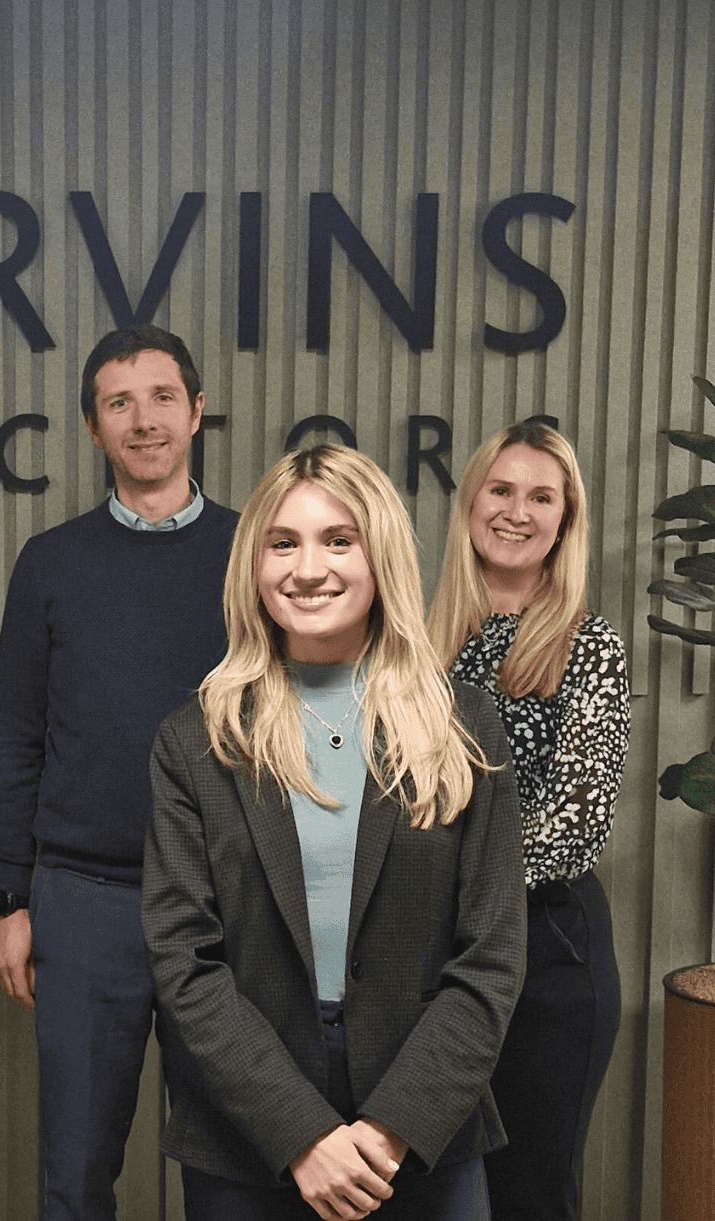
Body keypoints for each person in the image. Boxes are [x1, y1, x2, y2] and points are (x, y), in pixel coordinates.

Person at [142, 444, 526, 1221]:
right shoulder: (196, 741)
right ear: (253, 564)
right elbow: (185, 962)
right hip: (249, 1131)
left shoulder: (466, 728)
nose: (308, 568)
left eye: (337, 540)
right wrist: (301, 1134)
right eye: (283, 543)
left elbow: (490, 956)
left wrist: (390, 1131)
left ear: (379, 553)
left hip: (426, 1126)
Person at [0, 324, 238, 1220]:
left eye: (163, 397)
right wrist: (11, 899)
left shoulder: (256, 558)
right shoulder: (52, 562)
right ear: (94, 428)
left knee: (234, 1167)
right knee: (78, 1172)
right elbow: (14, 736)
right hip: (85, 901)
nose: (143, 420)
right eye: (118, 403)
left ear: (198, 412)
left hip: (228, 902)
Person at [428, 421, 628, 1221]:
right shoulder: (417, 646)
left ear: (565, 520)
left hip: (547, 959)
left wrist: (441, 890)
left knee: (530, 1196)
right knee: (430, 1190)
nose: (517, 511)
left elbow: (575, 824)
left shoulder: (589, 647)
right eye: (501, 489)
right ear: (471, 501)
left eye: (542, 496)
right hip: (427, 961)